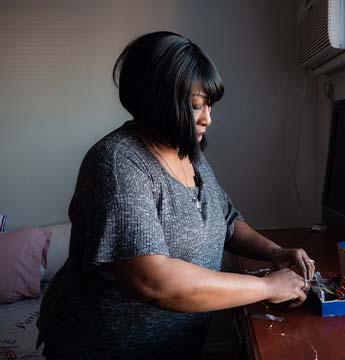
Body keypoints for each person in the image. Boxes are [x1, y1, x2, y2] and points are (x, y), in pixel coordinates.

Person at [37, 31, 316, 359]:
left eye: (209, 104)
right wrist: (270, 286)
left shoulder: (189, 152)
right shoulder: (117, 163)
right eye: (196, 105)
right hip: (105, 348)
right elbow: (153, 280)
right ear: (155, 100)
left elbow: (224, 219)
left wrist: (274, 252)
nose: (207, 118)